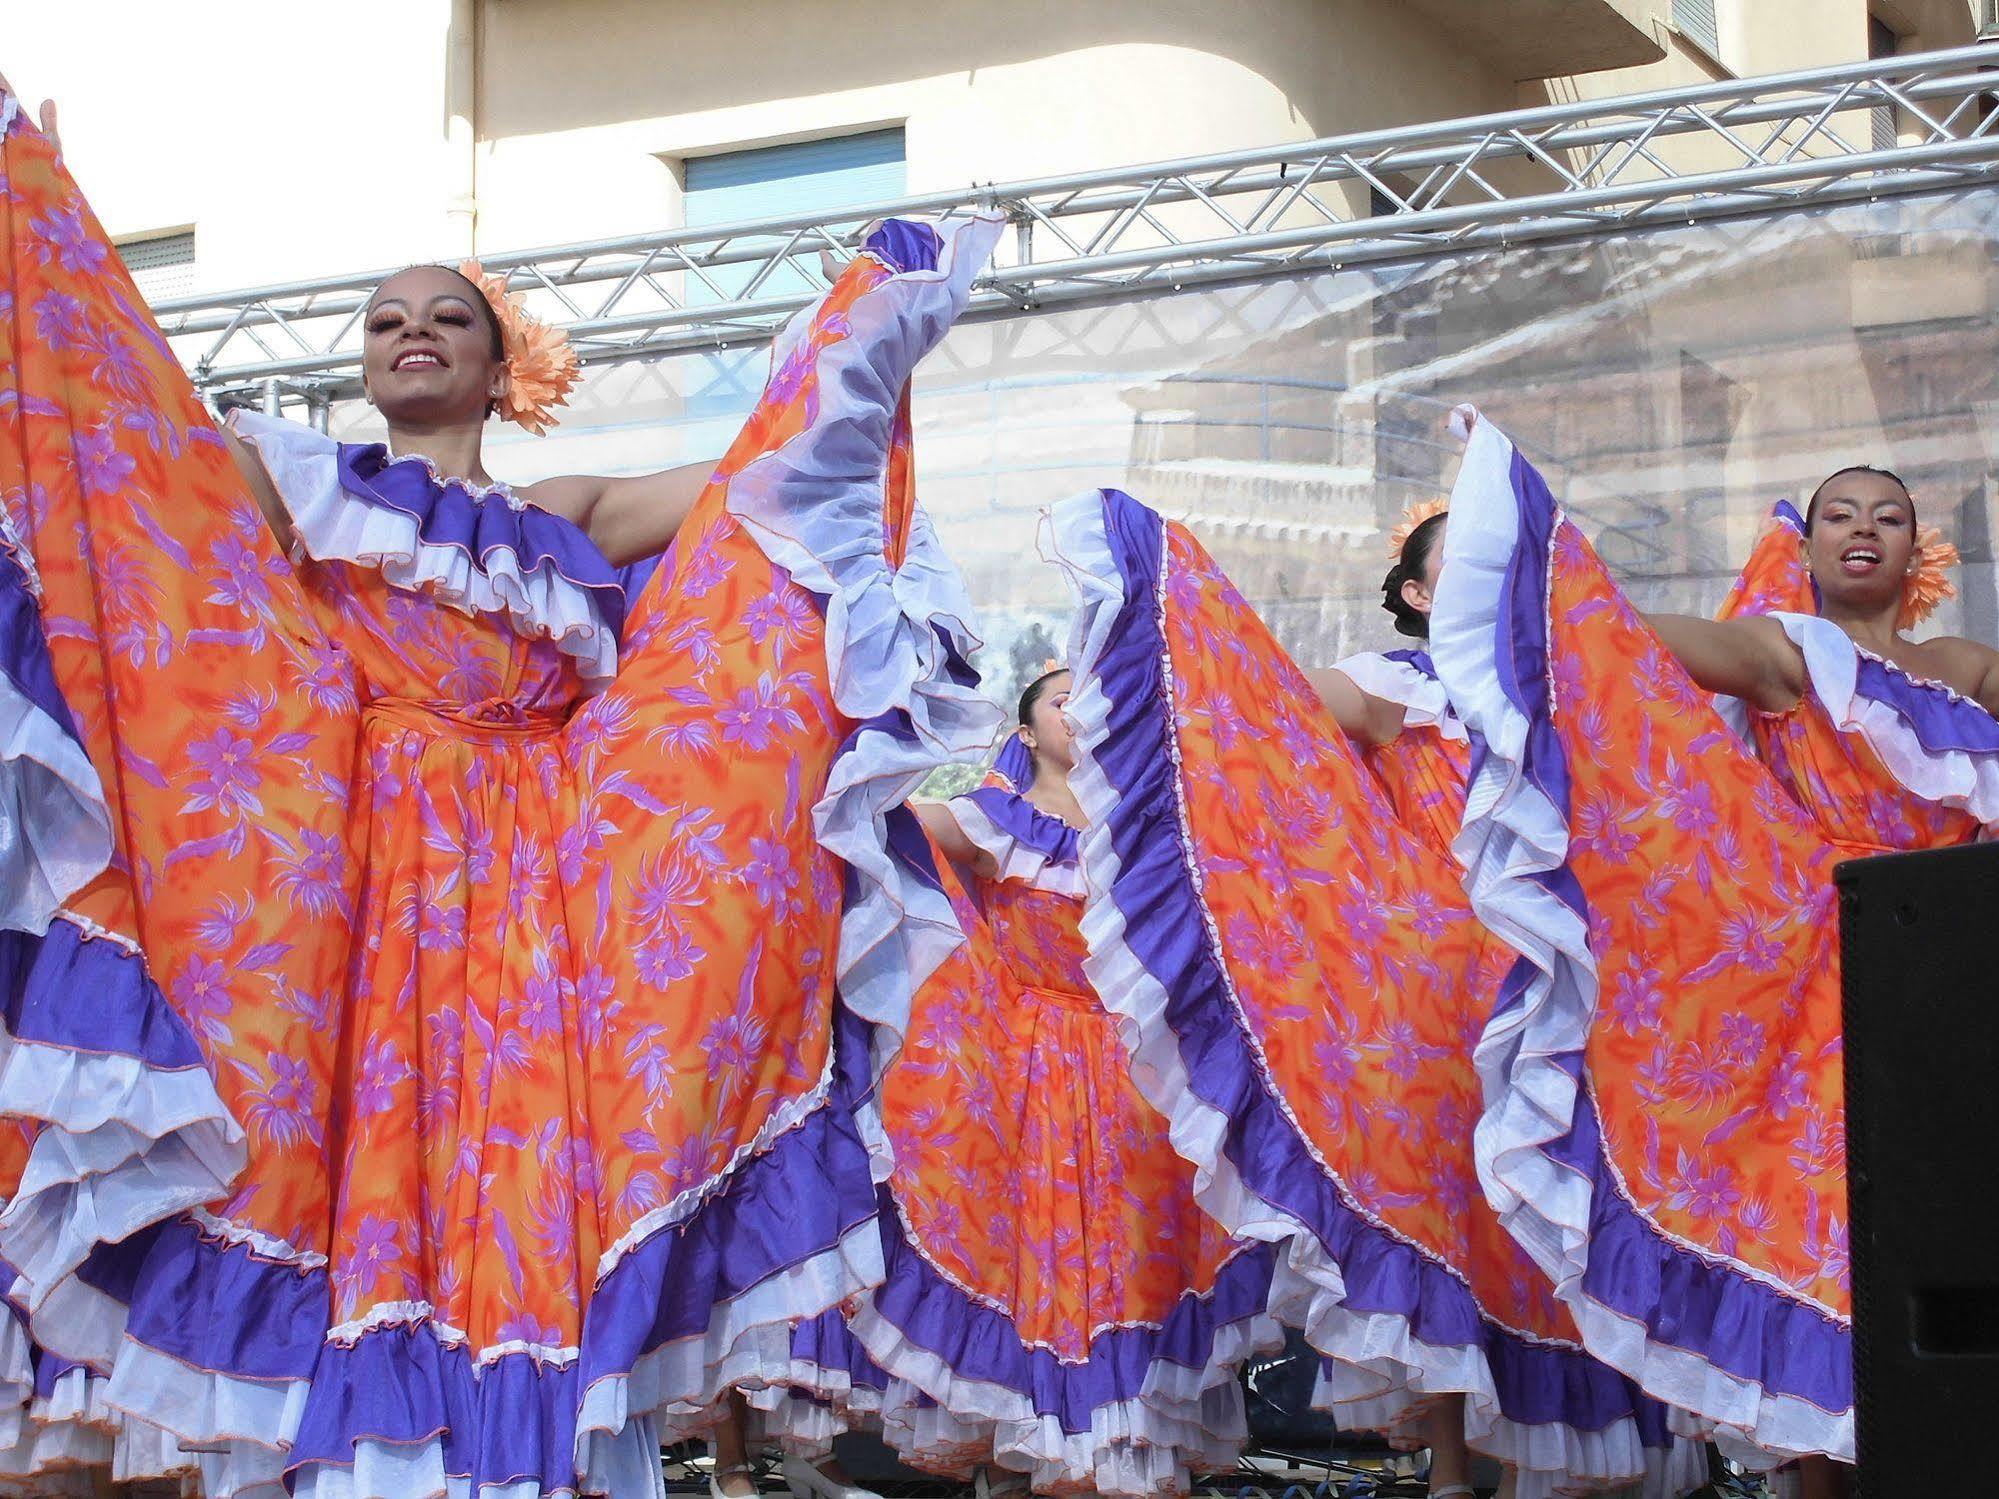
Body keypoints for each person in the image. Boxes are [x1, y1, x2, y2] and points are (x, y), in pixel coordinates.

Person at [0, 74, 1002, 1495]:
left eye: (445, 316)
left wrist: (863, 326)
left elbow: (767, 485)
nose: (411, 331)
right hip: (353, 866)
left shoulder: (568, 513)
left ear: (498, 362)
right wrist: (49, 259)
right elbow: (127, 436)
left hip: (546, 878)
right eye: (387, 319)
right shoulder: (291, 484)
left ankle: (528, 1430)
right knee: (344, 1150)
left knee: (536, 1148)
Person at [1044, 489, 1703, 1499]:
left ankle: (1600, 1454)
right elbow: (1255, 721)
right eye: (1463, 565)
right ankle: (1450, 1470)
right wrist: (1164, 637)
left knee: (1578, 1211)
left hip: (1584, 985)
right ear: (1415, 591)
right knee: (1451, 1216)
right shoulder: (1394, 684)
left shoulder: (1583, 682)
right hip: (1441, 997)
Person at [1430, 408, 1999, 1499]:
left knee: (1950, 1211)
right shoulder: (1786, 651)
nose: (1862, 528)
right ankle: (1814, 1484)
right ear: (1815, 545)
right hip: (1814, 977)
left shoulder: (1964, 667)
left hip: (1950, 977)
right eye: (1839, 513)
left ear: (1918, 551)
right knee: (1825, 1223)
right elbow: (1630, 645)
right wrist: (1540, 577)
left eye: (1887, 514)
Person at [770, 666, 1278, 1497]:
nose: (1080, 710)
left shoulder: (1161, 826)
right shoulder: (991, 816)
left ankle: (1131, 1448)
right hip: (1036, 1072)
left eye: (1095, 695)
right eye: (1059, 699)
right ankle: (1050, 1452)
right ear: (1029, 728)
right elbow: (877, 831)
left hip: (1149, 1081)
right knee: (1049, 1267)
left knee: (1143, 1266)